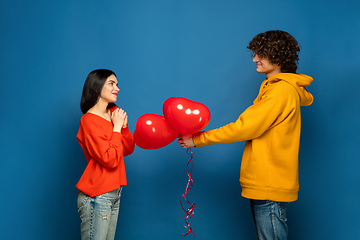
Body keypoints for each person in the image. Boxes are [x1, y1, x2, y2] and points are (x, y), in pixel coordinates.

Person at [178, 30, 314, 240]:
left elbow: (244, 127)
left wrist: (198, 139)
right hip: (269, 182)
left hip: (269, 184)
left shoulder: (279, 92)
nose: (255, 59)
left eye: (261, 54)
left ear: (277, 56)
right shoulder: (276, 89)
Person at [76, 69, 135, 240]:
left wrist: (123, 127)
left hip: (114, 192)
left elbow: (128, 149)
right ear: (96, 87)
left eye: (116, 84)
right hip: (98, 195)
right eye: (111, 83)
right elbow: (109, 159)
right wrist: (116, 128)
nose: (117, 88)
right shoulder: (88, 120)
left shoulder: (114, 114)